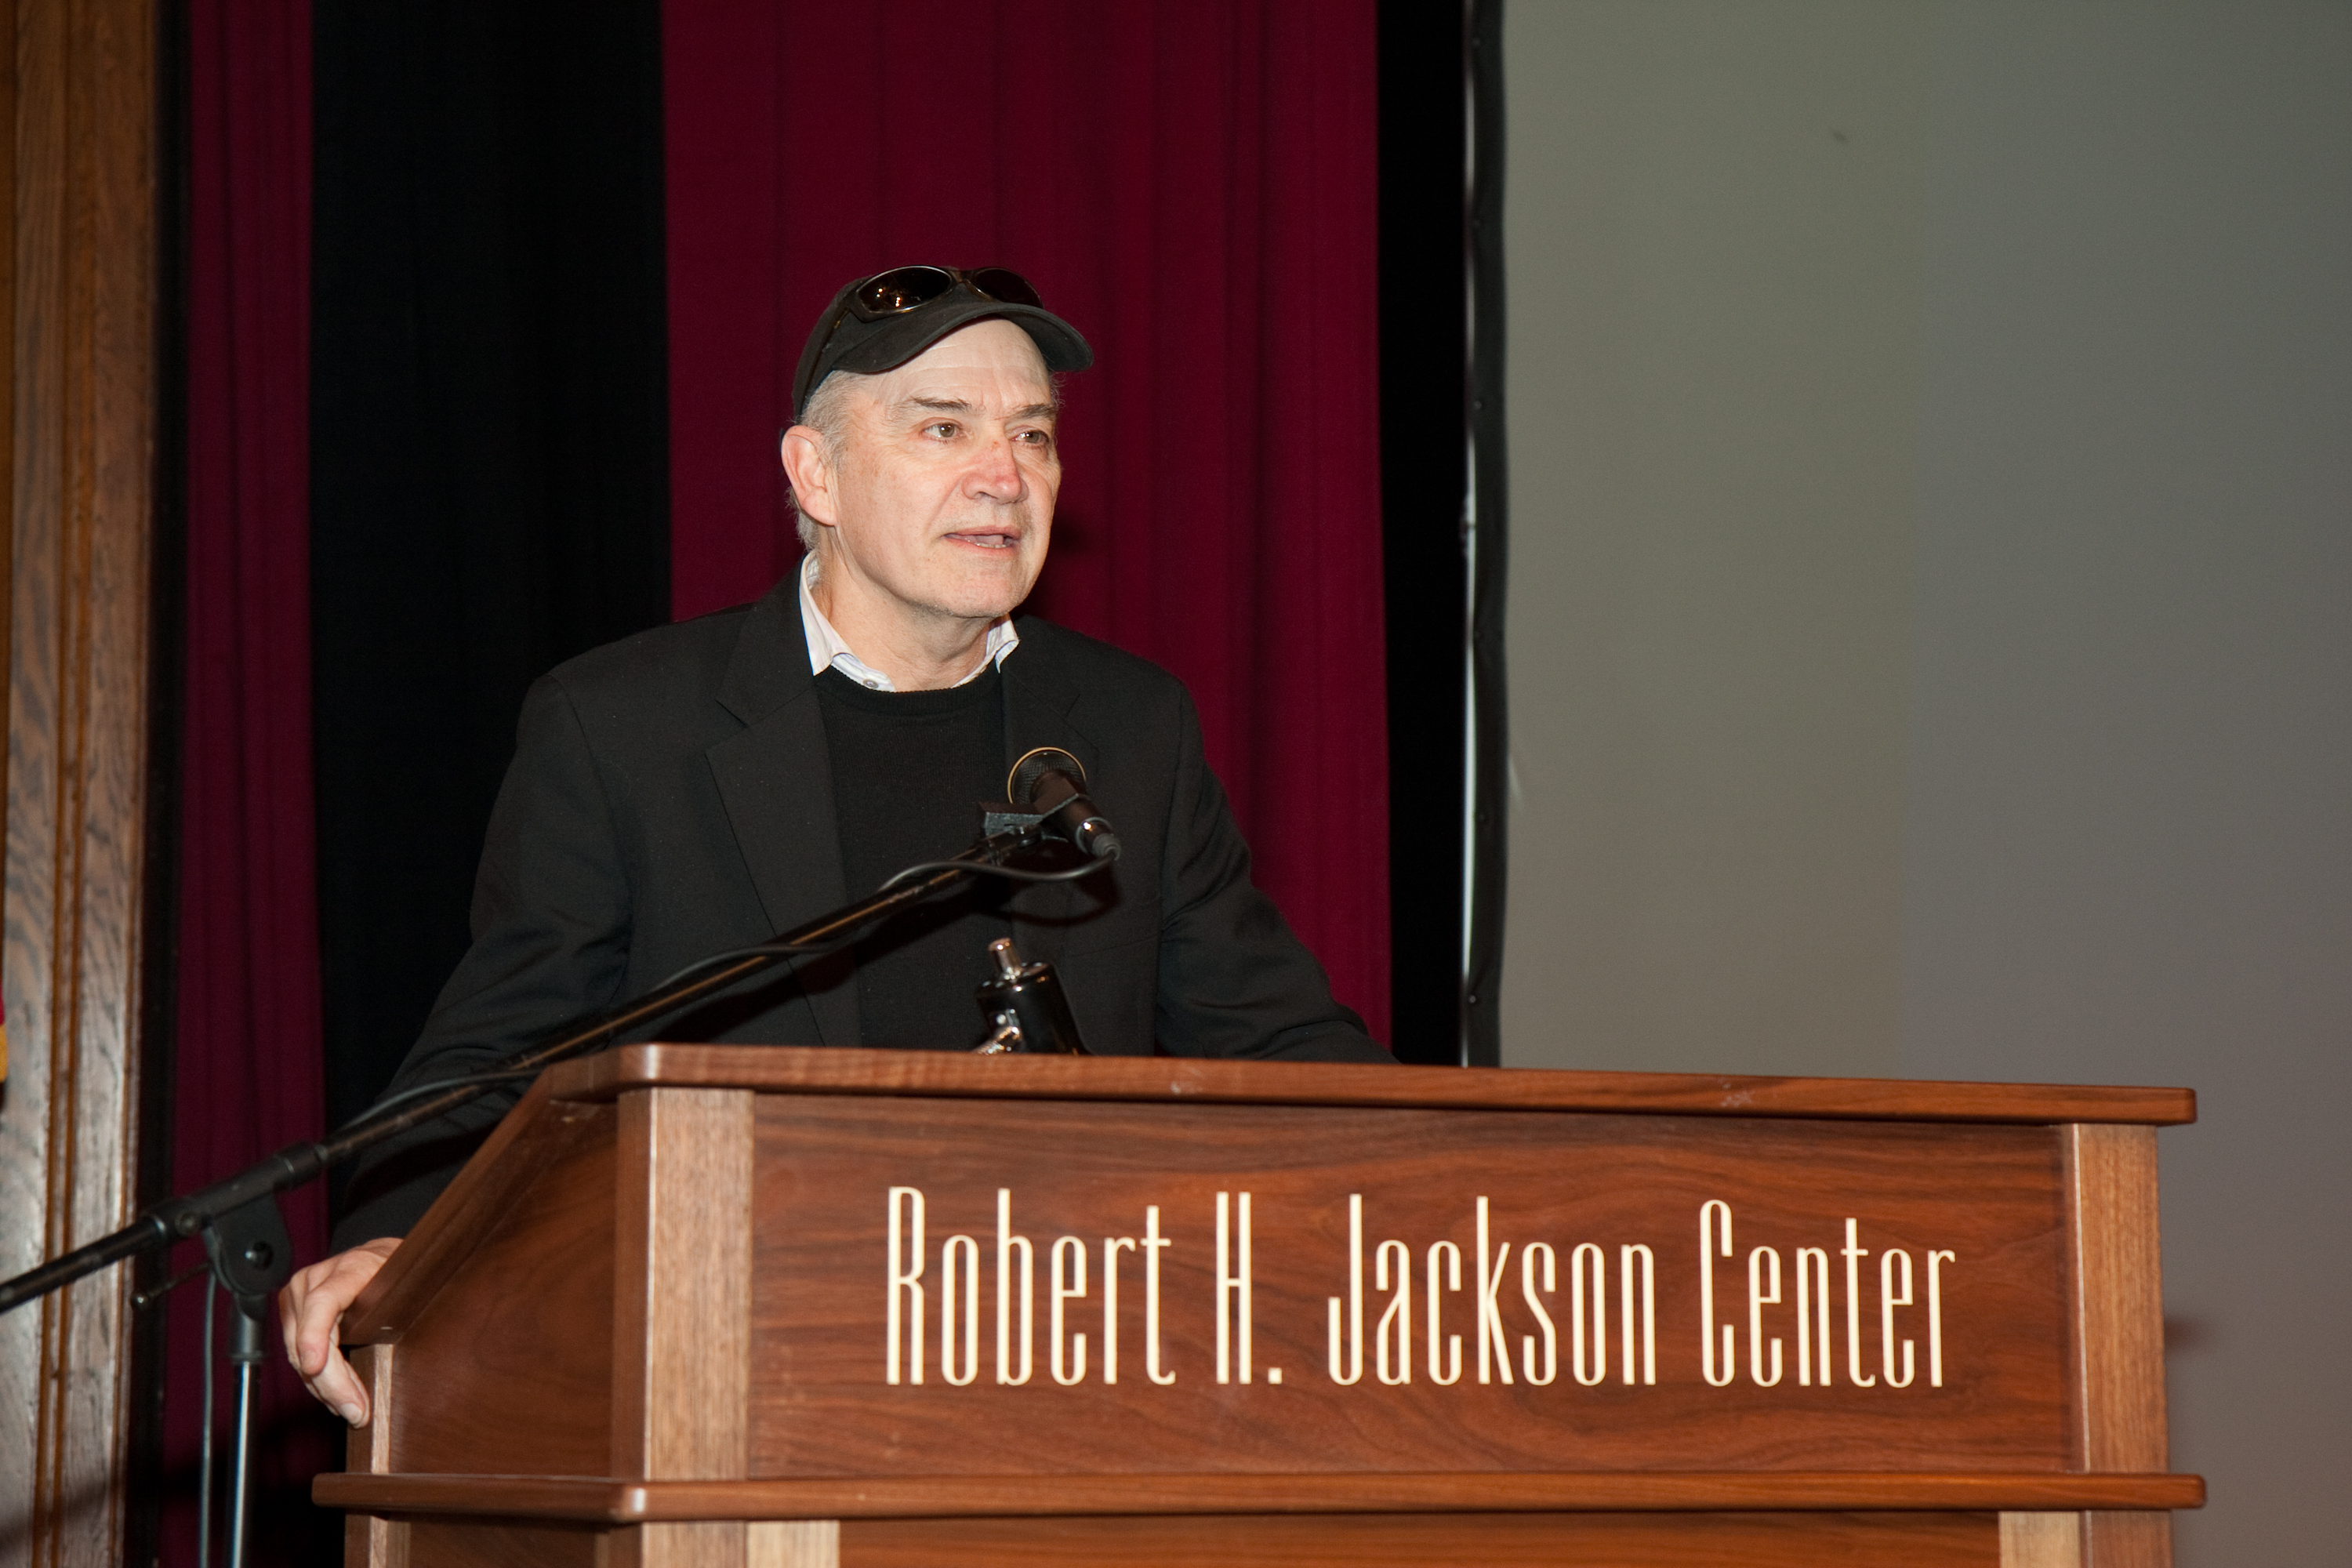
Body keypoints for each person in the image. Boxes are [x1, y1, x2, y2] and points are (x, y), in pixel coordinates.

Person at [278, 265, 1389, 1425]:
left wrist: (1476, 1196)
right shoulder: (625, 729)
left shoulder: (1127, 730)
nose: (1005, 476)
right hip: (739, 1371)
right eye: (943, 427)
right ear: (817, 474)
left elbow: (1276, 1041)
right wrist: (395, 1241)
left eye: (1035, 435)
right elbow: (490, 1062)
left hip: (1068, 1375)